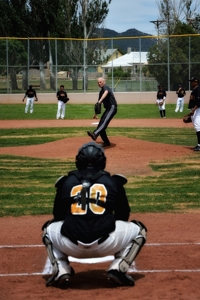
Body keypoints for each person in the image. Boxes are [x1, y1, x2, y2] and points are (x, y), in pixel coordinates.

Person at [42, 142, 147, 288]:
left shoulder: (65, 182)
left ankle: (60, 269)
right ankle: (119, 267)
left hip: (70, 245)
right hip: (107, 244)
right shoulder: (114, 182)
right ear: (103, 162)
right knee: (139, 229)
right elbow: (123, 215)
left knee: (48, 228)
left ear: (78, 161)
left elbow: (58, 216)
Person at [87, 78, 117, 147]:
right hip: (108, 109)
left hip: (112, 107)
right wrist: (95, 114)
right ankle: (106, 142)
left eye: (100, 82)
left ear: (104, 82)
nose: (99, 83)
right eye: (98, 82)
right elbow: (98, 105)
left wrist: (100, 101)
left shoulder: (105, 87)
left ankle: (95, 134)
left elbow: (106, 92)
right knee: (101, 125)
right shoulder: (101, 92)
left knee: (104, 122)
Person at [187, 77, 200, 151]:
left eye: (192, 82)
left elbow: (199, 101)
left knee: (198, 126)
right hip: (195, 109)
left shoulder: (198, 90)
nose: (191, 83)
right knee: (197, 126)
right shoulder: (194, 90)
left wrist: (193, 110)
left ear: (196, 82)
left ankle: (199, 145)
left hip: (197, 109)